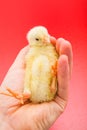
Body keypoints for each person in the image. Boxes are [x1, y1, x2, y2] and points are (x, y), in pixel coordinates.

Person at [0, 37, 73, 130]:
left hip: (45, 92)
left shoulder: (47, 52)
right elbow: (28, 75)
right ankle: (30, 92)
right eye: (39, 39)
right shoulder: (32, 54)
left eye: (45, 37)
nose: (45, 40)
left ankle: (47, 87)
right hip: (35, 92)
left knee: (48, 72)